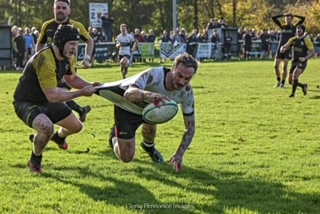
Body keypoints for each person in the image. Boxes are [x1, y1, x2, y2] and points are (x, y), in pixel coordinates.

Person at [13, 25, 100, 174]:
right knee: (46, 127)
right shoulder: (45, 59)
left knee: (77, 127)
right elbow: (53, 96)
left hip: (46, 101)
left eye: (77, 44)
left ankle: (58, 138)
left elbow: (72, 79)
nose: (74, 48)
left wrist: (93, 85)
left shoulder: (67, 56)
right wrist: (81, 93)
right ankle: (35, 160)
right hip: (26, 102)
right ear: (61, 42)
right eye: (72, 44)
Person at [96, 53, 198, 173]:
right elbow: (129, 93)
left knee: (151, 123)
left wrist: (179, 154)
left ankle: (149, 148)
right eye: (179, 75)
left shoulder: (186, 93)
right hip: (128, 107)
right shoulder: (155, 75)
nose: (182, 81)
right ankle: (114, 136)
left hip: (148, 110)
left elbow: (190, 127)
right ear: (173, 68)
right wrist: (149, 95)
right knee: (126, 157)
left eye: (187, 78)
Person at [36, 0, 94, 122]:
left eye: (63, 8)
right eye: (58, 7)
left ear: (69, 10)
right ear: (53, 10)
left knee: (58, 95)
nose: (60, 10)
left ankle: (57, 126)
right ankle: (77, 113)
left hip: (67, 68)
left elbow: (89, 40)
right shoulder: (47, 25)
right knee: (55, 96)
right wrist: (38, 59)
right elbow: (40, 43)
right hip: (49, 67)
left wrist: (87, 58)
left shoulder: (76, 26)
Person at [280, 25, 315, 98]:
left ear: (303, 31)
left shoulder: (306, 41)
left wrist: (305, 58)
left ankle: (292, 94)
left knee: (295, 74)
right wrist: (282, 49)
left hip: (302, 61)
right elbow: (285, 46)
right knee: (290, 81)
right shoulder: (293, 39)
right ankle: (303, 86)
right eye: (298, 29)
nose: (299, 30)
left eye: (301, 29)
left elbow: (313, 52)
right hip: (294, 61)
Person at [272, 13, 305, 88]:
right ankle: (278, 80)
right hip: (280, 47)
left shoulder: (294, 27)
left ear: (292, 19)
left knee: (285, 66)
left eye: (289, 18)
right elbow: (273, 18)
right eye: (286, 18)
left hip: (289, 48)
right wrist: (282, 15)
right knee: (276, 66)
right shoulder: (282, 26)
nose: (287, 20)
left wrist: (295, 15)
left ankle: (283, 83)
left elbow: (303, 18)